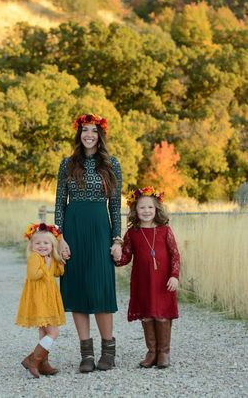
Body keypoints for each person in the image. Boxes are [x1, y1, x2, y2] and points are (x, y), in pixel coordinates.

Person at [55, 113, 122, 372]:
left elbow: (115, 206)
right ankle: (86, 354)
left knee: (100, 289)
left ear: (100, 135)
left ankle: (109, 350)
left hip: (99, 230)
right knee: (77, 290)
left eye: (94, 130)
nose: (89, 135)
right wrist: (60, 239)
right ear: (79, 134)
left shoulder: (111, 164)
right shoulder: (67, 164)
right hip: (73, 229)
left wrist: (117, 240)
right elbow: (59, 204)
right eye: (85, 130)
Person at [116, 186, 180, 369]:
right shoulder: (133, 233)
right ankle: (151, 352)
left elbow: (175, 255)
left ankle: (164, 352)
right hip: (142, 281)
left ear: (157, 209)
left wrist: (174, 276)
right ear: (135, 210)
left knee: (161, 316)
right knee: (147, 316)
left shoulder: (164, 230)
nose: (146, 211)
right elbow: (125, 258)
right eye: (142, 208)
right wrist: (117, 254)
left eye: (150, 207)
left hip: (163, 281)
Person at [16, 222, 65, 378]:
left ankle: (43, 364)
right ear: (32, 246)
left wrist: (59, 262)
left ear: (52, 245)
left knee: (44, 331)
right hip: (39, 299)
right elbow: (34, 275)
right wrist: (45, 265)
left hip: (49, 298)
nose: (42, 246)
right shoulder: (35, 258)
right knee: (54, 331)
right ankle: (33, 359)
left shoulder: (50, 257)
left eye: (46, 243)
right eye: (38, 243)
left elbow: (57, 273)